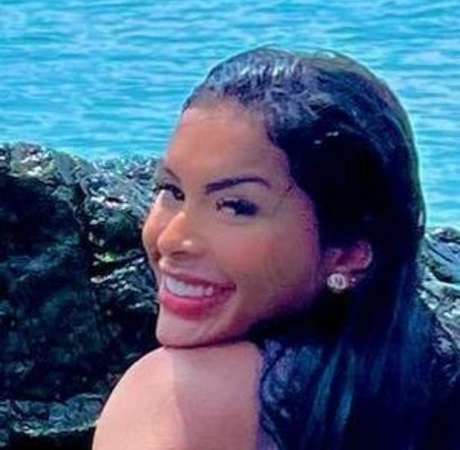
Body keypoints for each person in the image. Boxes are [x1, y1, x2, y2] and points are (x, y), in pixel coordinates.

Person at [92, 47, 459, 449]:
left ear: (348, 253)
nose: (170, 239)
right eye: (171, 190)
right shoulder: (428, 383)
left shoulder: (173, 398)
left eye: (235, 207)